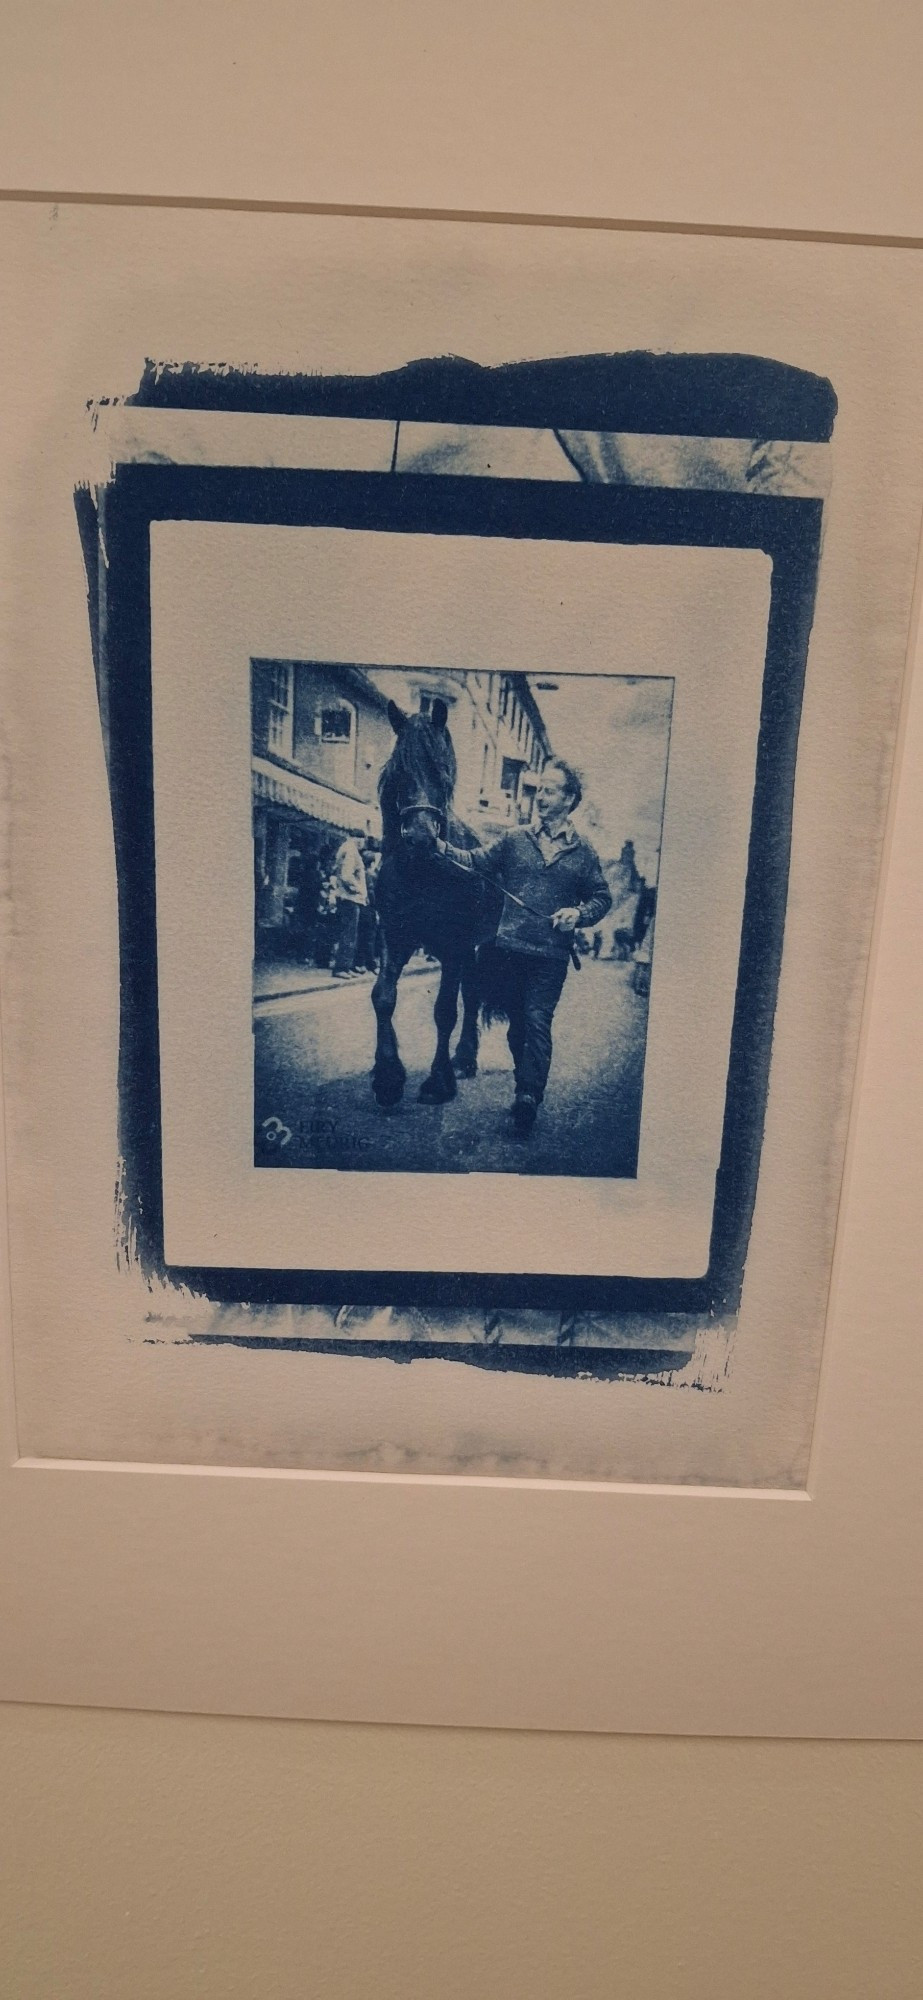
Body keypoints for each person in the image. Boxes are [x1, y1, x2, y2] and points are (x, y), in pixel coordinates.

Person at [411, 759, 612, 1135]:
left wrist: (579, 913)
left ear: (570, 800)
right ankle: (526, 1085)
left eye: (550, 791)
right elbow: (475, 861)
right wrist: (437, 843)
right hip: (508, 952)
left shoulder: (584, 853)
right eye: (539, 790)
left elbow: (602, 897)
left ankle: (528, 1096)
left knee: (537, 1020)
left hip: (550, 956)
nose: (540, 798)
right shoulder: (515, 839)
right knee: (517, 1027)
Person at [329, 833, 368, 977]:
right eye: (363, 840)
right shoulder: (352, 850)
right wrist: (358, 889)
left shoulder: (345, 848)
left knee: (348, 933)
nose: (364, 843)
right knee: (349, 934)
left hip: (346, 897)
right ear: (359, 839)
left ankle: (346, 966)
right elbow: (346, 875)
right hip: (350, 898)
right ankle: (341, 968)